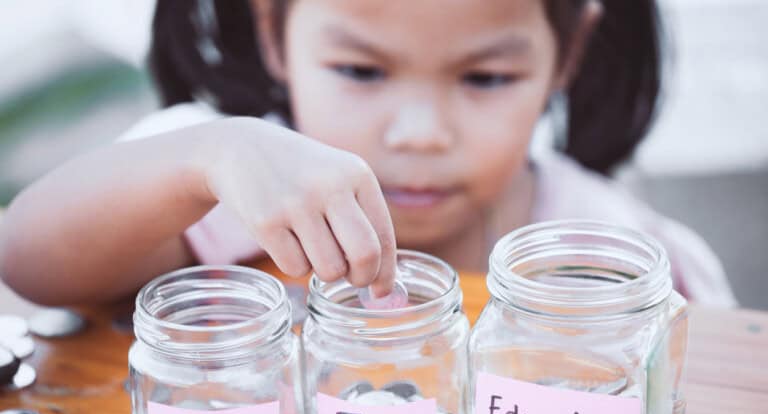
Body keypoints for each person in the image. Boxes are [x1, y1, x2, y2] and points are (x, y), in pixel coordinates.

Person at [0, 0, 736, 307]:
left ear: (567, 53)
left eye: (485, 78)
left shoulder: (620, 258)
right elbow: (24, 260)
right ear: (272, 32)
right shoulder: (213, 181)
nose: (418, 132)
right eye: (360, 70)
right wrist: (208, 155)